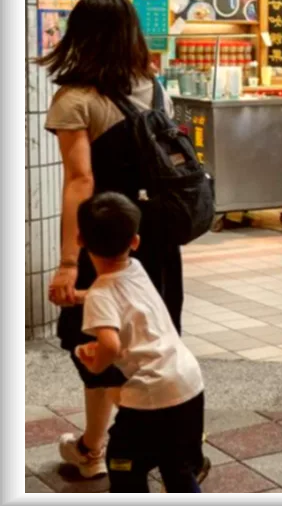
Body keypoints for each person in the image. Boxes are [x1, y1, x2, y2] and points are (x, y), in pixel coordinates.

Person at [41, 0, 184, 478]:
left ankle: (96, 450)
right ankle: (160, 447)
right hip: (153, 240)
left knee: (98, 350)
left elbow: (81, 181)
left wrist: (66, 263)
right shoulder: (153, 84)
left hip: (101, 245)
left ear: (78, 36)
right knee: (153, 341)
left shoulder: (76, 98)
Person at [73, 193, 208, 494]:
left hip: (152, 394)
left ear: (80, 239)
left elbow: (109, 344)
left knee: (122, 464)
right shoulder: (135, 268)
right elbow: (123, 299)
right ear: (134, 241)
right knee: (178, 467)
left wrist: (96, 364)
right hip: (188, 382)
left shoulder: (100, 294)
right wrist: (83, 296)